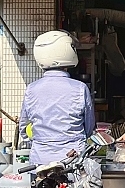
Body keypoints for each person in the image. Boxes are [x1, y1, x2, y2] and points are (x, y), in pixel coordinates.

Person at [20, 30, 95, 165]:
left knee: (40, 186)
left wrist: (40, 140)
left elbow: (24, 128)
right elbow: (89, 128)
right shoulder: (80, 88)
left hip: (40, 159)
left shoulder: (31, 89)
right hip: (73, 158)